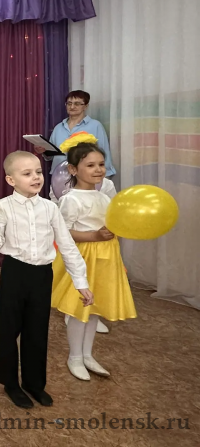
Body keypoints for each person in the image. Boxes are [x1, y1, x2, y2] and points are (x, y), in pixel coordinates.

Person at [0, 151, 93, 409]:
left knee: (37, 330)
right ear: (11, 180)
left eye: (38, 172)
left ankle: (34, 383)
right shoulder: (2, 206)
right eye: (27, 173)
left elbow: (66, 245)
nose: (36, 177)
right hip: (14, 272)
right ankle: (10, 383)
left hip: (42, 274)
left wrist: (81, 281)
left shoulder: (50, 208)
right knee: (8, 328)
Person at [50, 135, 137, 381]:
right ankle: (75, 357)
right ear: (73, 169)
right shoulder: (70, 199)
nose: (98, 169)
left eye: (101, 164)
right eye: (90, 165)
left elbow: (110, 223)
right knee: (80, 310)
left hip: (105, 258)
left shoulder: (104, 197)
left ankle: (87, 355)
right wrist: (94, 235)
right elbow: (63, 232)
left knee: (95, 309)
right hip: (83, 258)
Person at [37, 90, 116, 177]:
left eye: (77, 104)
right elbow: (52, 155)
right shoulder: (58, 128)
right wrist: (43, 151)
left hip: (84, 177)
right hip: (59, 176)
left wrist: (104, 177)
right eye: (69, 103)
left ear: (85, 106)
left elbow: (103, 153)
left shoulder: (95, 126)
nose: (72, 106)